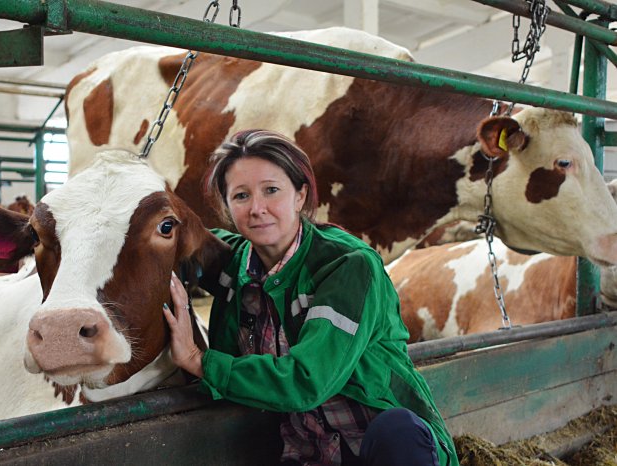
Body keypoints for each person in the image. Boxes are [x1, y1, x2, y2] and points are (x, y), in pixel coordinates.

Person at [162, 129, 459, 466]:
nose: (257, 208)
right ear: (227, 206)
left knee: (398, 430)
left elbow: (307, 381)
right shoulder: (236, 264)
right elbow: (164, 241)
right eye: (241, 195)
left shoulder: (347, 266)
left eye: (271, 190)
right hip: (311, 452)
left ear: (300, 196)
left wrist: (199, 360)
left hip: (381, 447)